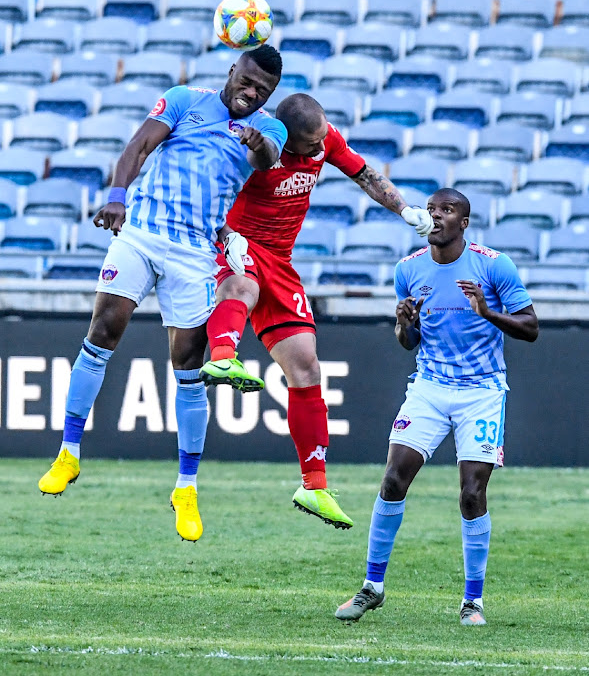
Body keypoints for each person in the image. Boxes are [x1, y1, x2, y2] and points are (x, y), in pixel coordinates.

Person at [38, 46, 288, 544]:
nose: (252, 93)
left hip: (195, 252)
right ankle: (68, 454)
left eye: (263, 90)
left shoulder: (271, 128)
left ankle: (187, 487)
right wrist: (116, 195)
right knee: (103, 331)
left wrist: (259, 143)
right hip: (143, 233)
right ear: (232, 71)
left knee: (188, 366)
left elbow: (269, 158)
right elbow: (138, 147)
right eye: (248, 82)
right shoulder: (183, 100)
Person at [197, 93, 434, 530]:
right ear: (287, 141)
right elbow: (207, 196)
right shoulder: (258, 148)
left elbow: (363, 174)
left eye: (324, 137)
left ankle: (314, 485)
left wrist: (405, 209)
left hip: (281, 261)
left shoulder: (323, 139)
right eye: (311, 144)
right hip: (240, 244)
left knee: (306, 368)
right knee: (243, 285)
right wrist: (225, 233)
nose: (321, 148)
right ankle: (222, 355)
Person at [335, 188, 539, 625]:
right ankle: (373, 587)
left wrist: (486, 312)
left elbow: (530, 327)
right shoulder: (408, 270)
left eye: (447, 210)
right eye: (431, 210)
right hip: (429, 385)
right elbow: (409, 342)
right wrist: (403, 325)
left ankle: (473, 601)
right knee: (392, 479)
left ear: (464, 223)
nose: (436, 216)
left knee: (471, 493)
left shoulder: (493, 264)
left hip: (481, 391)